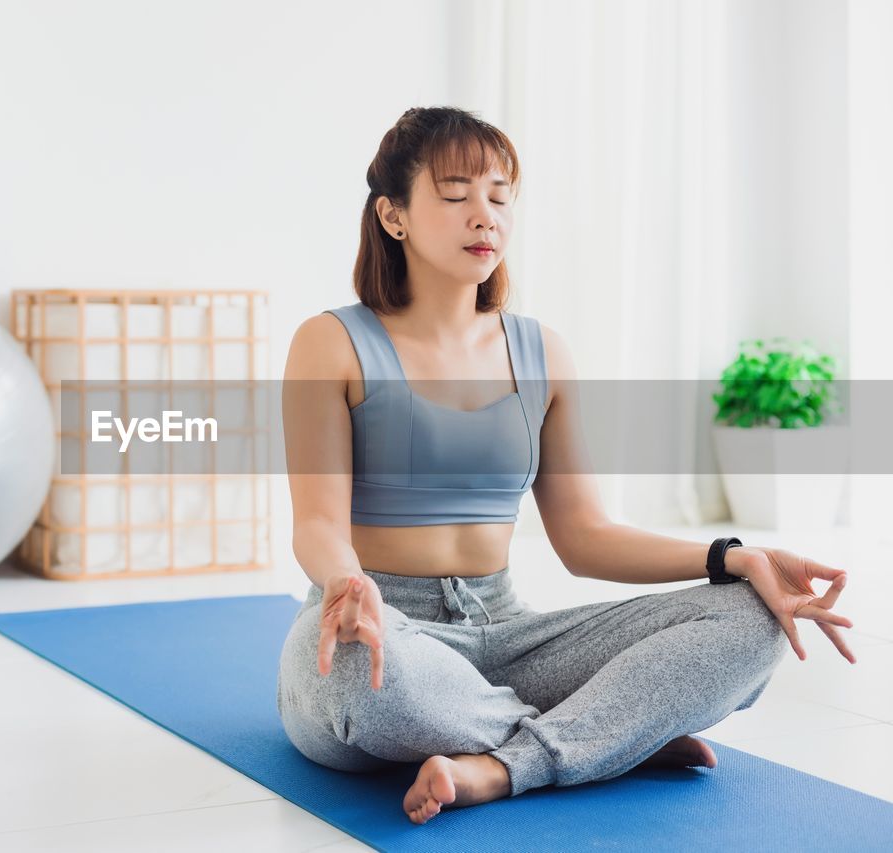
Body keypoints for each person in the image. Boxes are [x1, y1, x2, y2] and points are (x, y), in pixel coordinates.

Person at [276, 106, 857, 826]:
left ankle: (503, 764)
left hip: (507, 633)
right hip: (382, 626)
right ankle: (606, 737)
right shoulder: (329, 343)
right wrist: (345, 580)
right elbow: (319, 524)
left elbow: (585, 535)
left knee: (754, 621)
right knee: (361, 682)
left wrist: (734, 555)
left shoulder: (542, 352)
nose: (484, 215)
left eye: (499, 195)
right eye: (456, 195)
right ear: (393, 217)